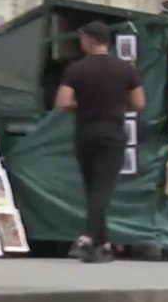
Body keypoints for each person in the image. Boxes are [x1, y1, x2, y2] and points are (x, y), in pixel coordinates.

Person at [55, 21, 145, 263]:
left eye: (82, 37)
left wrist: (81, 105)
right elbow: (138, 103)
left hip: (85, 132)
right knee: (102, 189)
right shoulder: (125, 69)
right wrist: (116, 104)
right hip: (113, 133)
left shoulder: (76, 69)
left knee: (92, 188)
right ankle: (95, 240)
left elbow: (63, 102)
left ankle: (97, 242)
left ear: (90, 39)